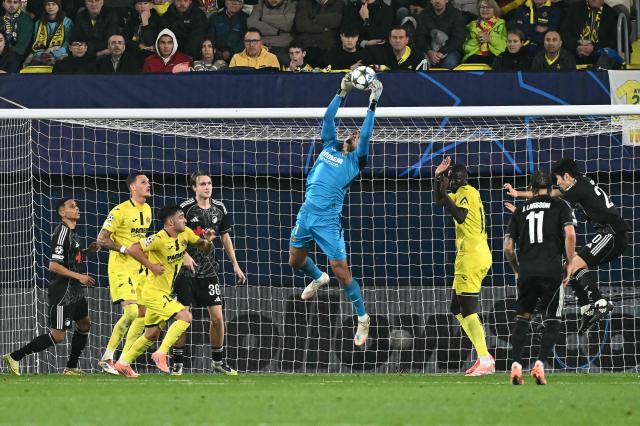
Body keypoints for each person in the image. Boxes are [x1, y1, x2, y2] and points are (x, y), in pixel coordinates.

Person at [288, 74, 383, 348]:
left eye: (356, 136)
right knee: (294, 261)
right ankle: (318, 277)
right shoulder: (329, 146)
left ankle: (363, 318)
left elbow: (366, 134)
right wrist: (342, 92)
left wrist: (372, 102)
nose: (354, 135)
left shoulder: (355, 161)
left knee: (341, 271)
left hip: (328, 220)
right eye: (352, 133)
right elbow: (327, 119)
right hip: (306, 213)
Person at [505, 158, 629, 334]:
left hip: (612, 234)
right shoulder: (580, 183)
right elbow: (550, 194)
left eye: (557, 180)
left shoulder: (576, 190)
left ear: (566, 176)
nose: (556, 184)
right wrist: (518, 194)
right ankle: (587, 309)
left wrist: (521, 212)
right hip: (609, 234)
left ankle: (600, 304)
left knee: (574, 264)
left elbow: (547, 199)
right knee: (568, 269)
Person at [114, 205, 215, 377]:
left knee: (151, 334)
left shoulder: (185, 233)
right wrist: (151, 266)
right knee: (186, 316)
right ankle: (161, 354)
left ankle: (122, 363)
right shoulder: (158, 238)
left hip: (163, 292)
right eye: (181, 216)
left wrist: (208, 241)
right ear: (170, 221)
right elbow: (133, 248)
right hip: (153, 293)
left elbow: (204, 247)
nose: (185, 219)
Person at [3, 198, 100, 375]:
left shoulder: (73, 233)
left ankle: (71, 367)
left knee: (85, 324)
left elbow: (72, 259)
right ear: (62, 213)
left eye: (77, 206)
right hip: (63, 292)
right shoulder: (61, 232)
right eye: (72, 206)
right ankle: (15, 356)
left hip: (75, 290)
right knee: (58, 335)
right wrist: (80, 276)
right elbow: (53, 266)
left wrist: (87, 252)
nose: (77, 208)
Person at [170, 171, 246, 376]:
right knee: (183, 318)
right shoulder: (185, 208)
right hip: (185, 273)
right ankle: (177, 364)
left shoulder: (219, 208)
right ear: (194, 187)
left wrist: (235, 265)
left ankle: (218, 362)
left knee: (217, 318)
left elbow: (225, 237)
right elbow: (172, 235)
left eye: (209, 183)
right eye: (202, 184)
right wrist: (184, 255)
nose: (207, 187)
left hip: (210, 271)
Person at [504, 171, 576, 385]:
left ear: (532, 189)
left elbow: (508, 247)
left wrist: (517, 270)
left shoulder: (520, 211)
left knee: (523, 319)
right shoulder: (560, 205)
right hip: (551, 272)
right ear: (550, 187)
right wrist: (570, 263)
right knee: (553, 319)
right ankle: (540, 365)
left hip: (527, 272)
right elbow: (570, 234)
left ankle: (516, 366)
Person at [433, 156, 494, 376]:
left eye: (451, 180)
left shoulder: (468, 192)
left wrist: (446, 188)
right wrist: (437, 178)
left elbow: (459, 216)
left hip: (473, 255)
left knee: (468, 309)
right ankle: (483, 353)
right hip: (468, 255)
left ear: (458, 180)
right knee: (456, 309)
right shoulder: (459, 193)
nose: (449, 185)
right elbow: (439, 201)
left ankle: (485, 358)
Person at [96, 172, 153, 375]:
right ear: (132, 188)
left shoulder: (147, 210)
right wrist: (123, 250)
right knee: (131, 312)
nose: (148, 184)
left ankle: (123, 361)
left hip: (139, 269)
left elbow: (140, 241)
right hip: (120, 267)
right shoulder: (119, 210)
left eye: (148, 182)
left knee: (143, 314)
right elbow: (101, 239)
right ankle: (106, 358)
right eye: (143, 182)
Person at [561, 0, 619, 69]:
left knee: (608, 55)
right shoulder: (574, 9)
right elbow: (565, 33)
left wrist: (593, 47)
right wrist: (576, 47)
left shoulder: (611, 13)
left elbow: (612, 41)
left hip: (599, 52)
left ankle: (599, 78)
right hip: (574, 50)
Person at [414, 0, 466, 69]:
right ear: (431, 1)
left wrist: (442, 52)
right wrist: (429, 52)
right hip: (429, 50)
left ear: (446, 0)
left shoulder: (456, 14)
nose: (437, 1)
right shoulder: (423, 14)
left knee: (449, 63)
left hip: (450, 50)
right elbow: (420, 37)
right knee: (421, 62)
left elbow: (459, 38)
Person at [293, 0, 345, 67]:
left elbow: (335, 21)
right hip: (307, 44)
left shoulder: (338, 3)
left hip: (327, 46)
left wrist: (313, 18)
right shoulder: (304, 3)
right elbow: (301, 25)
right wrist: (323, 28)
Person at [247, 0, 296, 67]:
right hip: (262, 45)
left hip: (283, 45)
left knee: (288, 62)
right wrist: (277, 31)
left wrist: (264, 18)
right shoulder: (260, 5)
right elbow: (251, 23)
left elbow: (287, 24)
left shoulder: (290, 5)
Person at [25, 0, 73, 67]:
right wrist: (43, 54)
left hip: (60, 53)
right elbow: (36, 44)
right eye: (48, 4)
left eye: (54, 4)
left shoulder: (67, 22)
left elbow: (67, 43)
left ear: (59, 6)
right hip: (41, 54)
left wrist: (53, 53)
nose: (50, 7)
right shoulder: (38, 23)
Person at [462, 0, 506, 65]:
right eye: (482, 7)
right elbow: (465, 48)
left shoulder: (501, 24)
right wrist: (477, 40)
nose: (485, 10)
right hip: (474, 55)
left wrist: (490, 39)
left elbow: (503, 47)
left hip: (494, 55)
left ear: (494, 9)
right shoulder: (471, 25)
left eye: (488, 7)